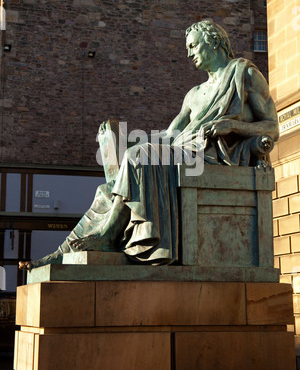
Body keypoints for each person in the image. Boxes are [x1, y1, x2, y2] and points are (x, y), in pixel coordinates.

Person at [19, 20, 279, 270]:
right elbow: (167, 135)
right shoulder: (194, 94)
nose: (189, 54)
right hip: (181, 153)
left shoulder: (243, 74)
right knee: (107, 189)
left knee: (137, 159)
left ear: (213, 42)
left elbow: (271, 127)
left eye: (193, 46)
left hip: (212, 157)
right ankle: (63, 253)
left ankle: (109, 235)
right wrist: (118, 142)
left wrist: (233, 127)